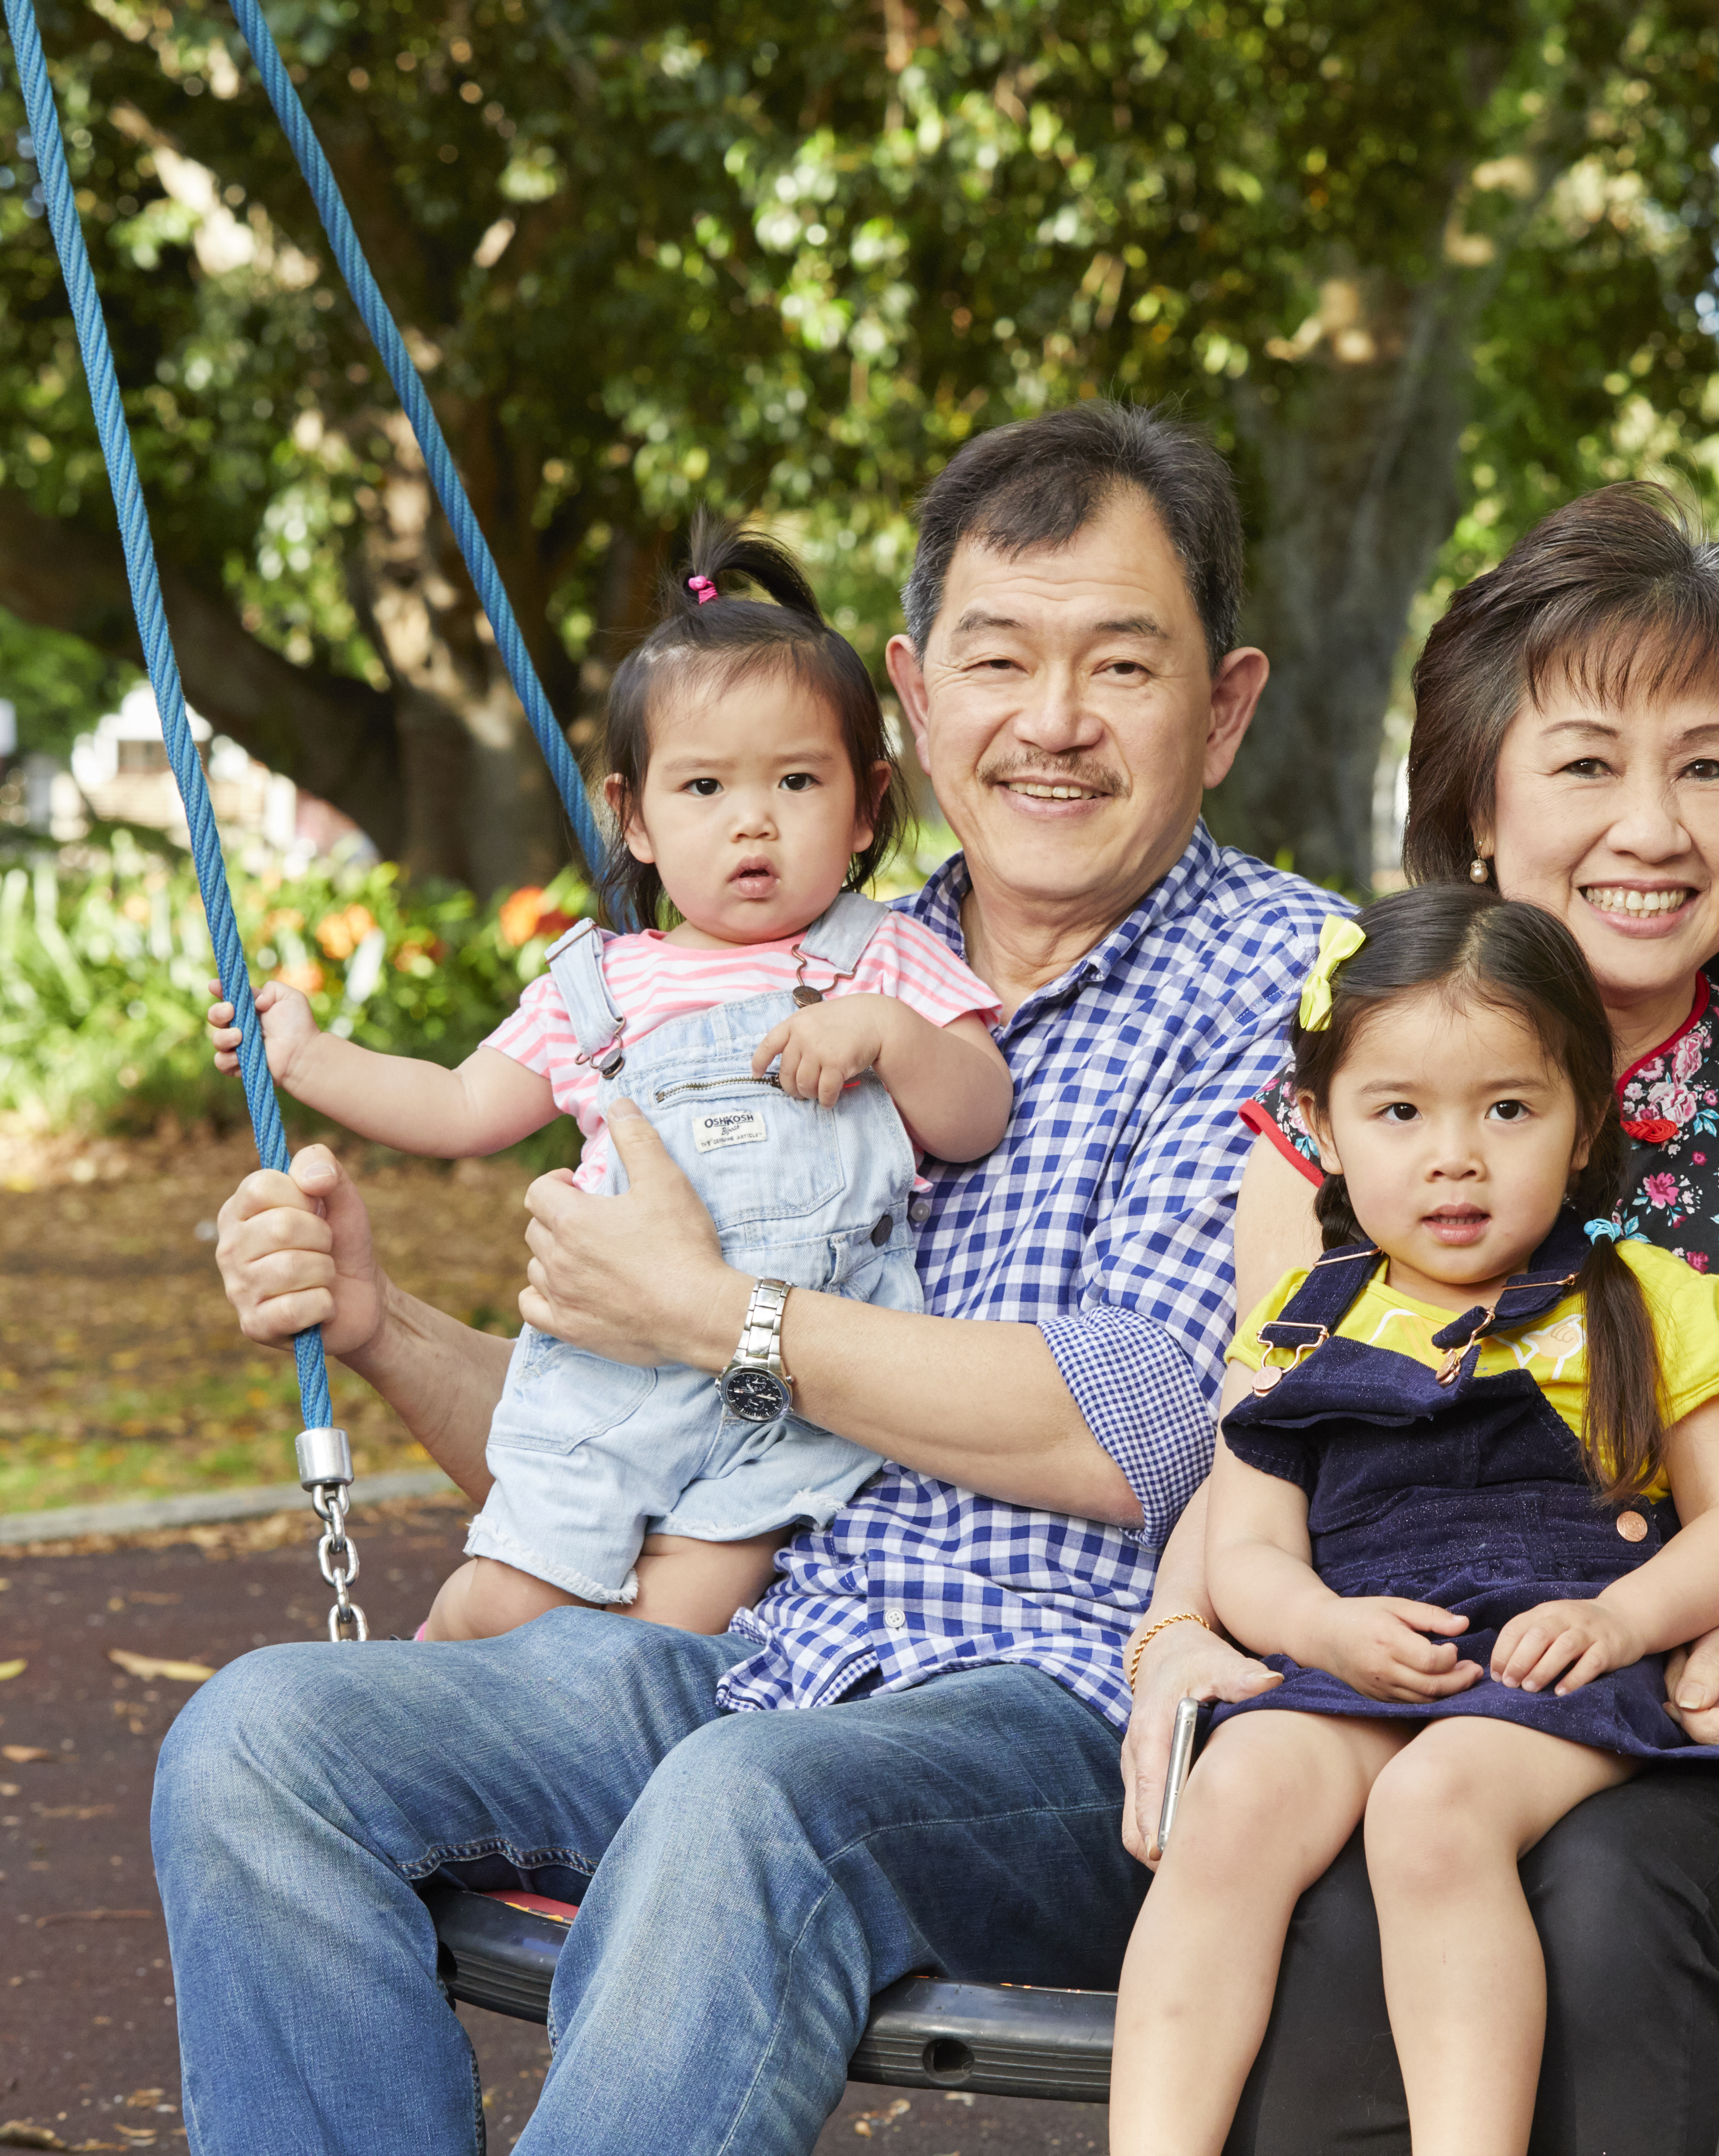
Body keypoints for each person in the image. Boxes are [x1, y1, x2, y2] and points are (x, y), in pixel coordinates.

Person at [152, 400, 1347, 2156]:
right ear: (915, 699)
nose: (1056, 722)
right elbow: (637, 1442)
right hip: (751, 1654)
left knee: (741, 1807)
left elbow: (1151, 1435)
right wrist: (382, 1320)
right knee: (262, 1743)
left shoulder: (1299, 986)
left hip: (1075, 1717)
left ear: (1227, 705)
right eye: (999, 659)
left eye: (1123, 665)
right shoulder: (769, 950)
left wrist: (723, 1315)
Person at [1123, 483, 1719, 2154]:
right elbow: (1269, 1430)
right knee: (1321, 1891)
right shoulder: (1329, 1125)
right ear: (1480, 802)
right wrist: (1194, 1638)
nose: (1652, 827)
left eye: (1709, 768)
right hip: (1400, 1677)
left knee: (1588, 1880)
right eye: (1587, 763)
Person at [203, 525, 1012, 1640]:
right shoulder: (601, 986)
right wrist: (305, 1057)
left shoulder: (878, 960)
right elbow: (459, 1108)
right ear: (632, 815)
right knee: (514, 1590)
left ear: (868, 805)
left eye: (796, 779)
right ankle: (413, 1691)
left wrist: (892, 1038)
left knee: (680, 1617)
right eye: (703, 785)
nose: (752, 818)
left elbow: (979, 1114)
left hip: (796, 1385)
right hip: (611, 1370)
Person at [1111, 887, 1719, 2155]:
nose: (1455, 1155)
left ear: (1587, 1122)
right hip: (1367, 1658)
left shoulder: (1650, 1301)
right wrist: (1323, 1624)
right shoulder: (1299, 1328)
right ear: (1321, 1128)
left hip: (1564, 1673)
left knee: (1436, 1806)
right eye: (1400, 1112)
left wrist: (1619, 1618)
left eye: (1509, 1109)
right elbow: (1248, 1548)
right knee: (1243, 1790)